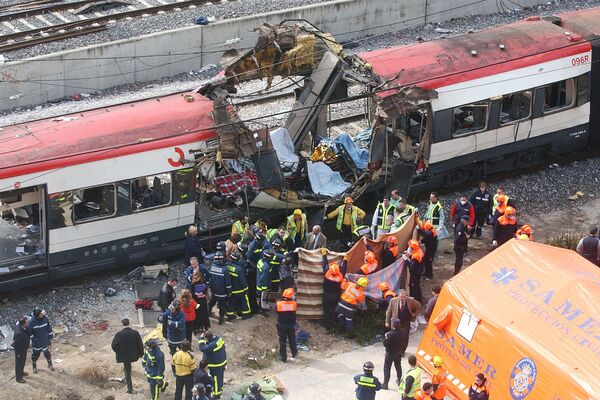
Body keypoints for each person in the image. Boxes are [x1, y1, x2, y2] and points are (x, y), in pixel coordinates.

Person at [111, 317, 144, 393]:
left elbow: (113, 345)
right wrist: (141, 353)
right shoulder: (135, 333)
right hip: (133, 355)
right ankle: (127, 382)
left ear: (122, 324)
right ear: (129, 323)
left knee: (127, 371)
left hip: (123, 356)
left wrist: (118, 352)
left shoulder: (119, 334)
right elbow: (140, 344)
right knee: (128, 369)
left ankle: (130, 389)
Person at [246, 228, 271, 314]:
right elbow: (248, 257)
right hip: (254, 269)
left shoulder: (264, 242)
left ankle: (260, 307)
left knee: (260, 291)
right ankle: (255, 308)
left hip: (259, 267)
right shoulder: (253, 245)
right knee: (254, 290)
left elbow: (269, 249)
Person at [322, 248, 347, 328]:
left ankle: (326, 323)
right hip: (336, 295)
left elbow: (325, 264)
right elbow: (344, 268)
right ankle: (333, 322)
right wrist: (345, 260)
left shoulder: (327, 274)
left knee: (326, 309)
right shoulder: (340, 276)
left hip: (326, 295)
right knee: (334, 309)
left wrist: (324, 254)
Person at [198, 331, 227, 400]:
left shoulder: (212, 345)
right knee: (220, 378)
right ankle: (220, 389)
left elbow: (202, 348)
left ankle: (216, 395)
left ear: (207, 338)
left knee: (216, 380)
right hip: (221, 362)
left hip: (216, 365)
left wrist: (201, 339)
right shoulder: (218, 339)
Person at [382, 318, 407, 390]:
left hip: (390, 353)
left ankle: (385, 383)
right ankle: (399, 380)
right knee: (398, 366)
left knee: (387, 367)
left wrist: (386, 338)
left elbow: (385, 344)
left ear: (393, 325)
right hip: (398, 352)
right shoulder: (403, 332)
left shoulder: (390, 334)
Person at [208, 251, 232, 325]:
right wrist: (229, 291)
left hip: (213, 291)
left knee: (212, 302)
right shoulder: (225, 270)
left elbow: (209, 280)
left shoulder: (211, 267)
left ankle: (208, 312)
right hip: (222, 293)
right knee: (222, 306)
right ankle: (221, 319)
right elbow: (228, 284)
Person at [29, 306, 55, 373]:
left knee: (47, 353)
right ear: (37, 315)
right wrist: (35, 340)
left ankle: (50, 364)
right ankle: (34, 366)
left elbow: (49, 329)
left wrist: (50, 338)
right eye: (41, 314)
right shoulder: (31, 322)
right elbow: (30, 333)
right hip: (37, 343)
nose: (43, 315)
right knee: (36, 355)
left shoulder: (45, 319)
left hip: (45, 340)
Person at [227, 250, 252, 320]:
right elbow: (242, 281)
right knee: (244, 301)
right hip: (239, 290)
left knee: (231, 302)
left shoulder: (227, 266)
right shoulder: (239, 269)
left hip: (231, 289)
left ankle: (230, 315)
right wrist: (246, 289)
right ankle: (246, 314)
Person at [276, 288, 298, 363]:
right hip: (291, 325)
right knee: (292, 339)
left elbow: (276, 310)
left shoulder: (279, 304)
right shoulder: (294, 304)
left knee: (282, 341)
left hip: (281, 325)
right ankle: (294, 353)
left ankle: (283, 357)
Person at [404, 239, 424, 304]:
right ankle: (419, 300)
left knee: (413, 287)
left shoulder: (415, 256)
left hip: (415, 274)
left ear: (412, 248)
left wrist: (406, 260)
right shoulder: (419, 250)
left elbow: (412, 267)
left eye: (409, 247)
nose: (409, 247)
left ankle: (414, 302)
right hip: (419, 271)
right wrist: (409, 255)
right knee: (417, 286)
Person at [12, 316, 29, 383]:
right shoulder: (19, 333)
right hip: (20, 350)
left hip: (24, 348)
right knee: (19, 363)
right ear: (23, 324)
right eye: (27, 322)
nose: (28, 323)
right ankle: (18, 378)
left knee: (23, 361)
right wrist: (19, 352)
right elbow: (16, 343)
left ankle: (21, 372)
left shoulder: (23, 327)